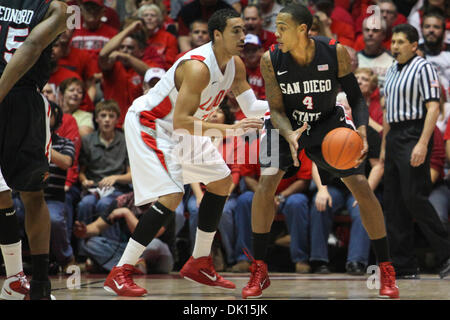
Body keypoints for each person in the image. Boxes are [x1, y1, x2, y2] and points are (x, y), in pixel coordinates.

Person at [102, 8, 267, 297]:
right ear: (217, 35)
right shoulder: (198, 67)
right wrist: (232, 129)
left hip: (185, 128)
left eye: (243, 30)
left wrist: (288, 108)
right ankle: (120, 271)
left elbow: (253, 107)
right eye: (235, 31)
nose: (242, 36)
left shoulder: (235, 65)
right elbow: (180, 121)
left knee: (221, 181)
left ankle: (199, 262)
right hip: (154, 124)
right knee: (172, 195)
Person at [242, 4, 399, 299]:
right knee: (265, 185)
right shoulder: (270, 59)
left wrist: (362, 130)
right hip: (286, 123)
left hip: (327, 123)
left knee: (361, 187)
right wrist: (289, 133)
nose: (276, 33)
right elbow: (275, 108)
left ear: (303, 30)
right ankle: (259, 268)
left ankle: (386, 269)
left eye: (282, 28)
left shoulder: (334, 51)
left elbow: (355, 97)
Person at [0, 0, 68, 300]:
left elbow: (31, 47)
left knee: (32, 192)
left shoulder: (58, 9)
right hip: (15, 99)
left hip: (23, 99)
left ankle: (39, 283)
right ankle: (16, 278)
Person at [381, 23, 450, 280]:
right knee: (394, 203)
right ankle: (404, 265)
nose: (395, 46)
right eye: (394, 41)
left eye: (400, 42)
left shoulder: (424, 67)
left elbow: (433, 107)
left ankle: (446, 254)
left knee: (414, 198)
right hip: (395, 135)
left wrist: (422, 143)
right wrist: (386, 145)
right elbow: (388, 113)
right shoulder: (390, 70)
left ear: (413, 46)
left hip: (414, 132)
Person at [13, 102, 76, 273]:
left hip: (53, 198)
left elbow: (65, 162)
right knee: (13, 215)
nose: (45, 117)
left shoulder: (65, 143)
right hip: (24, 195)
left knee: (54, 220)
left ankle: (66, 258)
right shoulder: (24, 142)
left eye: (50, 114)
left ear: (57, 119)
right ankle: (19, 261)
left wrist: (42, 144)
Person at [74, 192, 176, 274]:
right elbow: (97, 226)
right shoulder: (122, 201)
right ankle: (133, 266)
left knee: (154, 244)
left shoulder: (164, 203)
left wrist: (126, 213)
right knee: (91, 243)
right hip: (127, 249)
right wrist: (84, 230)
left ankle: (117, 266)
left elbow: (147, 234)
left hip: (157, 256)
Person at [356, 15, 394, 94]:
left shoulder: (393, 61)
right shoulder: (354, 60)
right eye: (367, 30)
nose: (370, 33)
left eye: (375, 30)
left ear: (383, 35)